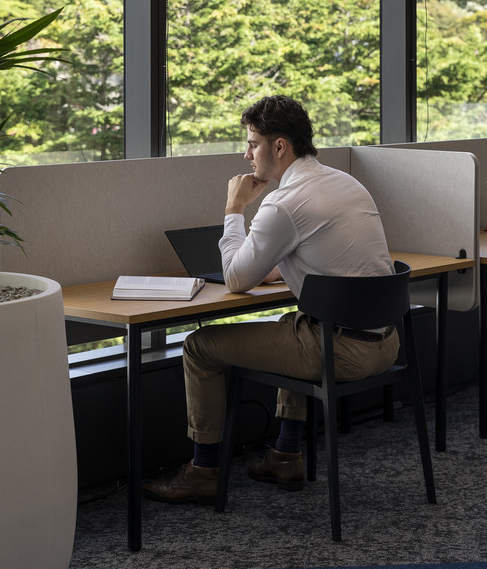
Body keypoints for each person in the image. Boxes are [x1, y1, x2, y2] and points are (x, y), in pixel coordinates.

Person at [143, 94, 400, 504]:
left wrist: (234, 208)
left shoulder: (283, 203)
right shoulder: (345, 183)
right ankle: (284, 454)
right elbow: (306, 256)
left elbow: (235, 280)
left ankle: (203, 471)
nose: (246, 155)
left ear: (279, 146)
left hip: (341, 352)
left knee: (199, 346)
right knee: (294, 324)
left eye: (252, 143)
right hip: (386, 343)